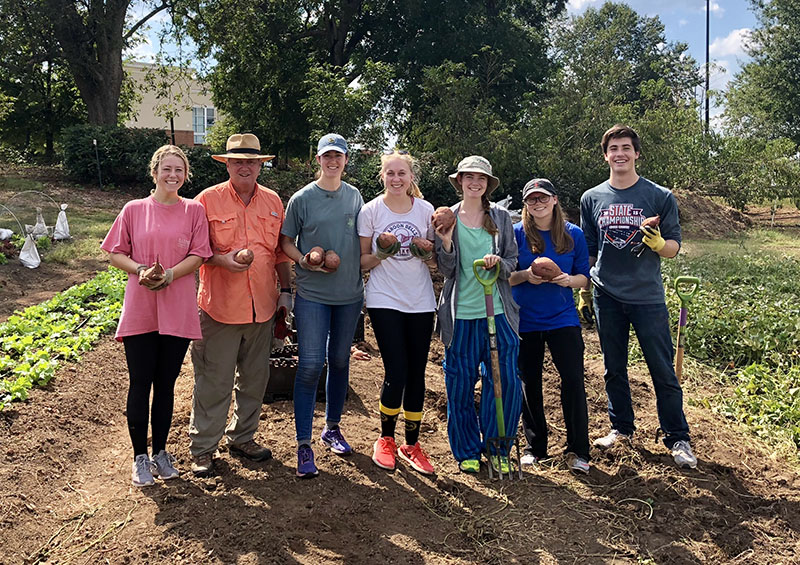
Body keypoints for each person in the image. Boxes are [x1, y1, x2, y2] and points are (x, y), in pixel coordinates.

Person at [580, 124, 697, 469]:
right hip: (606, 295)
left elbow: (674, 247)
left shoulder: (659, 196)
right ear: (606, 155)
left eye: (626, 148)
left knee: (662, 369)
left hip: (647, 297)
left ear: (636, 154)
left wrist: (660, 244)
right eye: (613, 148)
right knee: (614, 368)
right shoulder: (592, 198)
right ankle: (621, 429)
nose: (620, 154)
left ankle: (678, 437)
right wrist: (585, 291)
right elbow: (589, 249)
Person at [101, 145, 212, 487]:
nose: (173, 175)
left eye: (179, 170)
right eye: (167, 169)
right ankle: (139, 457)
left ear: (186, 175)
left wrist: (170, 275)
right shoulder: (134, 210)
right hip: (141, 309)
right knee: (140, 383)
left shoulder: (194, 211)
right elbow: (114, 252)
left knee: (165, 385)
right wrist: (142, 270)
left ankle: (161, 452)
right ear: (154, 172)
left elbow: (199, 254)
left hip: (176, 308)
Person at [189, 133, 293, 477]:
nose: (245, 167)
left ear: (261, 166)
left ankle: (242, 437)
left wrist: (286, 290)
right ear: (228, 164)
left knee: (254, 379)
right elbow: (195, 251)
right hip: (220, 307)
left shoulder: (274, 202)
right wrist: (221, 261)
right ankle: (203, 447)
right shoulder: (206, 201)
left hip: (261, 306)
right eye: (238, 161)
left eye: (252, 161)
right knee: (214, 381)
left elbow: (279, 251)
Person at [279, 133, 364, 479]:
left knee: (341, 359)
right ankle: (303, 444)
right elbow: (285, 242)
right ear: (318, 160)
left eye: (338, 156)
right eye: (327, 156)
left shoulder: (356, 197)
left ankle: (332, 427)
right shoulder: (302, 199)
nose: (333, 162)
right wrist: (304, 260)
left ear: (345, 160)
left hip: (349, 295)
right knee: (311, 364)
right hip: (313, 294)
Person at [434, 155, 522, 474]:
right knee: (460, 385)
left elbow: (512, 261)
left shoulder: (499, 217)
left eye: (481, 178)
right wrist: (445, 242)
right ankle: (467, 449)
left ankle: (499, 446)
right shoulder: (447, 218)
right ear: (459, 181)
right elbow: (446, 270)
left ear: (488, 184)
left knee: (505, 382)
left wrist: (498, 265)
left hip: (498, 313)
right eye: (468, 177)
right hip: (461, 316)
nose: (475, 183)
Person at [358, 150, 437, 475]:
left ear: (411, 177)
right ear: (382, 177)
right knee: (397, 369)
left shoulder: (426, 210)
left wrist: (425, 251)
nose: (396, 179)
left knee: (417, 371)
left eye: (401, 173)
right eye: (390, 173)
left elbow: (433, 260)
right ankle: (386, 439)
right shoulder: (370, 210)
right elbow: (362, 262)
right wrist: (382, 252)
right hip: (383, 297)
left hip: (420, 299)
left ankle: (411, 444)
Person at [509, 178, 591, 474]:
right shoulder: (515, 233)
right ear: (525, 205)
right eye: (531, 199)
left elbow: (584, 275)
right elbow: (506, 276)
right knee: (529, 381)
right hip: (524, 317)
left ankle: (579, 450)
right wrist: (525, 276)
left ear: (555, 200)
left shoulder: (573, 235)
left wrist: (569, 281)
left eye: (543, 198)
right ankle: (535, 447)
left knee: (572, 379)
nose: (537, 203)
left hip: (562, 318)